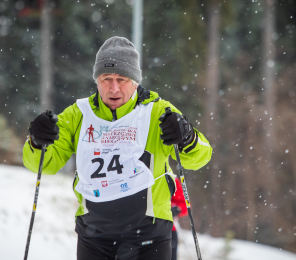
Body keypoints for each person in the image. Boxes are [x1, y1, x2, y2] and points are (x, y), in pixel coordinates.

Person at [23, 36, 212, 260]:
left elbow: (200, 156)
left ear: (135, 81)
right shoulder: (78, 114)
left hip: (149, 238)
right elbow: (44, 164)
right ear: (96, 81)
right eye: (106, 78)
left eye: (121, 79)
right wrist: (37, 141)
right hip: (94, 238)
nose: (114, 88)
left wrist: (187, 136)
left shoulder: (156, 111)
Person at [171, 177, 188, 260]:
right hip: (140, 228)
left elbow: (185, 206)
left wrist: (176, 209)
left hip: (169, 230)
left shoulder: (171, 178)